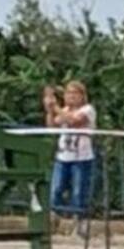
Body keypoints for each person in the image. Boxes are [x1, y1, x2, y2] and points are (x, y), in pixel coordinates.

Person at [42, 81, 96, 234]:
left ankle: (80, 222)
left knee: (79, 192)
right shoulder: (64, 110)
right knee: (56, 190)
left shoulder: (88, 110)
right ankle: (54, 220)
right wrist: (49, 110)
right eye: (68, 93)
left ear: (82, 96)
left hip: (81, 158)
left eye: (74, 93)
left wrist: (56, 108)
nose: (71, 96)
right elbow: (52, 126)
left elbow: (74, 121)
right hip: (63, 156)